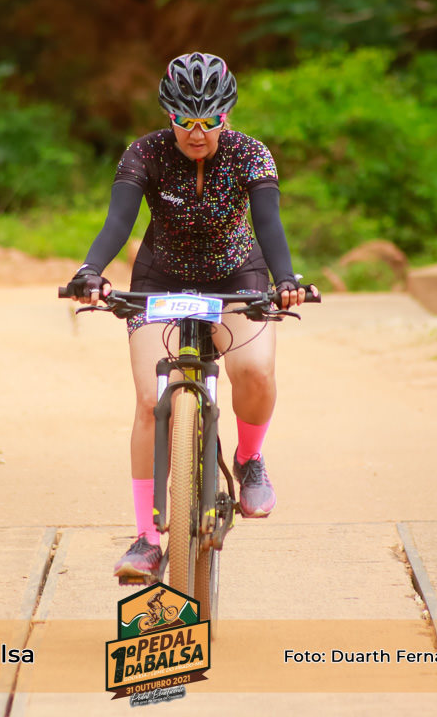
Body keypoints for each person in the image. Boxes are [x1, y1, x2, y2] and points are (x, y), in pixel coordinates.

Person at [64, 52, 317, 580]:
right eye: (184, 120)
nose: (196, 133)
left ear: (228, 115)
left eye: (209, 121)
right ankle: (147, 538)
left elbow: (270, 225)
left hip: (235, 276)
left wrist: (285, 280)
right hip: (162, 278)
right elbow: (117, 222)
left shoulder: (251, 155)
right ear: (168, 115)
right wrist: (91, 270)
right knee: (147, 399)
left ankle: (248, 460)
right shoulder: (145, 154)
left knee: (255, 371)